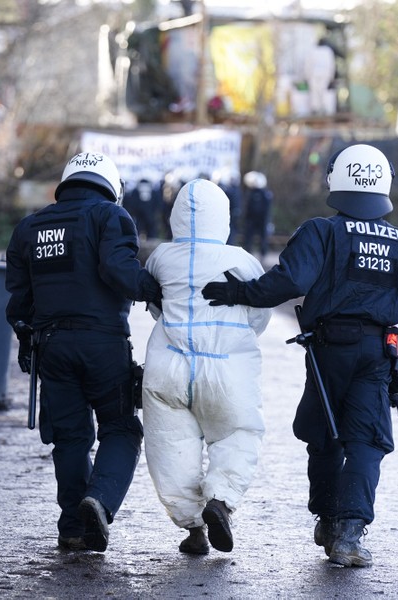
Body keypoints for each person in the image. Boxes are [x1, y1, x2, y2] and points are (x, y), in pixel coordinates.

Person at [202, 144, 398, 568]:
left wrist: (238, 293)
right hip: (379, 354)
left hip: (328, 350)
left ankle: (327, 520)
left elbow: (286, 282)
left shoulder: (321, 232)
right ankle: (348, 533)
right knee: (367, 441)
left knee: (324, 431)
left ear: (336, 180)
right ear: (384, 185)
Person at [4, 151, 161, 553]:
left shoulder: (29, 228)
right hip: (103, 343)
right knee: (121, 428)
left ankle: (73, 525)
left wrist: (26, 339)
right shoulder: (111, 216)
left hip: (52, 347)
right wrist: (158, 291)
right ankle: (101, 500)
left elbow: (19, 302)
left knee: (71, 437)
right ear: (110, 185)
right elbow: (118, 269)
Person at [142, 178, 271, 555]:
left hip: (169, 368)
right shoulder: (243, 261)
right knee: (238, 435)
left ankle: (193, 528)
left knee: (171, 446)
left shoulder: (161, 257)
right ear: (224, 217)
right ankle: (221, 500)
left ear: (175, 216)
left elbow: (155, 307)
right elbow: (258, 315)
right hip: (227, 370)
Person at [242, 171, 273, 258]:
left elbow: (268, 209)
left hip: (262, 219)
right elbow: (247, 207)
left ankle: (263, 254)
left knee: (263, 237)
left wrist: (267, 220)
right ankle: (247, 252)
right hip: (251, 219)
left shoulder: (265, 193)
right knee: (249, 237)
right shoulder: (251, 193)